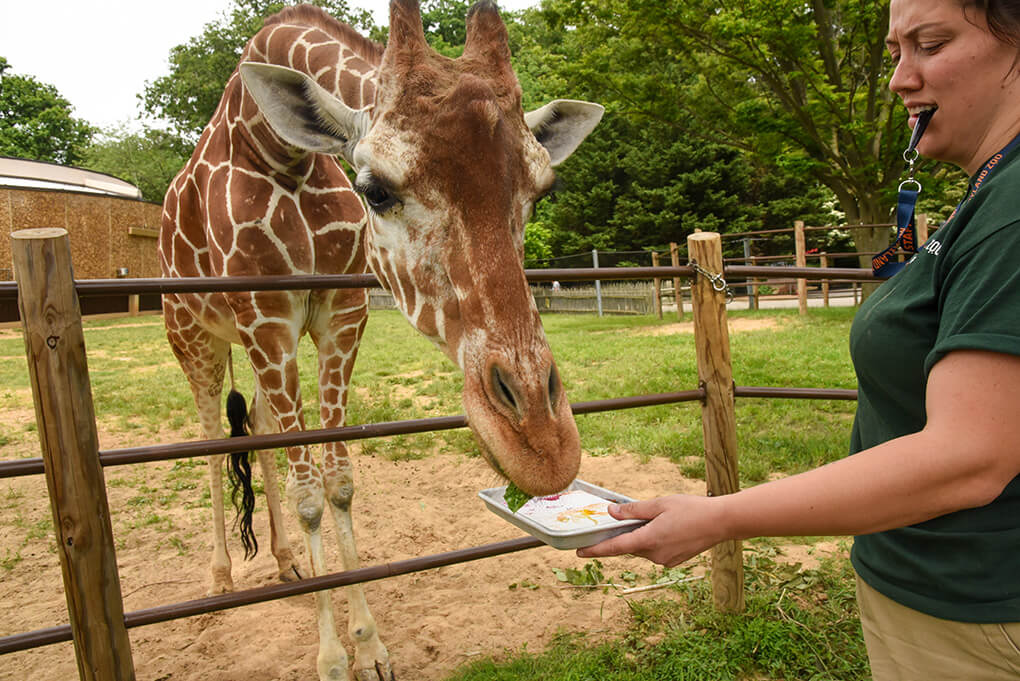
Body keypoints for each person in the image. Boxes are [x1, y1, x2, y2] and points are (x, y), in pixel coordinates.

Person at [578, 1, 1020, 678]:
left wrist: (718, 516)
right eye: (896, 50)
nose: (900, 78)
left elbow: (967, 455)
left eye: (930, 45)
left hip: (973, 616)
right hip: (938, 596)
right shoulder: (990, 191)